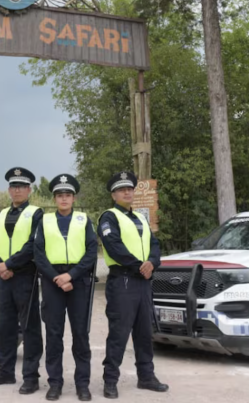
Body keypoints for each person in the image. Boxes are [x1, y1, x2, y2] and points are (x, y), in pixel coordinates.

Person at [98, 171, 169, 399]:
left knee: (144, 332)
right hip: (124, 281)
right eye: (121, 190)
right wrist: (140, 265)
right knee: (119, 333)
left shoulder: (140, 218)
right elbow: (114, 247)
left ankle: (146, 377)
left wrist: (152, 263)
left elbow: (154, 245)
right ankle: (110, 380)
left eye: (129, 189)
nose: (127, 192)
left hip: (143, 282)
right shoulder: (108, 218)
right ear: (113, 195)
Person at [34, 174, 98, 401]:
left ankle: (82, 384)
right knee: (53, 334)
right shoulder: (45, 221)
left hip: (78, 281)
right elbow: (38, 254)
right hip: (53, 283)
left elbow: (92, 252)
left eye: (68, 195)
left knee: (81, 334)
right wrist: (57, 278)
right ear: (54, 198)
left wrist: (71, 275)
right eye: (60, 195)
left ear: (74, 198)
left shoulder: (84, 220)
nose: (64, 199)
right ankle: (55, 383)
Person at [0, 167, 44, 395]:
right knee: (5, 327)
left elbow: (33, 245)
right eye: (14, 186)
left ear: (29, 190)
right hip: (5, 279)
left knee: (30, 328)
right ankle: (5, 371)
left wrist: (8, 265)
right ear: (9, 190)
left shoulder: (37, 214)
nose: (17, 190)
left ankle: (31, 376)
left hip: (25, 276)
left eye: (22, 187)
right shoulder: (0, 215)